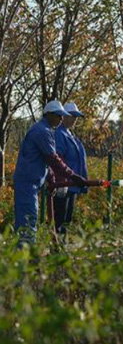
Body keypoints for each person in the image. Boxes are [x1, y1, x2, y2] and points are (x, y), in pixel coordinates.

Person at [13, 100, 87, 246]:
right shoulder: (43, 132)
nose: (61, 119)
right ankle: (24, 259)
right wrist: (72, 176)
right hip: (28, 183)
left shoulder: (44, 130)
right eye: (59, 116)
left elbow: (45, 160)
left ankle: (25, 256)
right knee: (28, 220)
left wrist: (51, 178)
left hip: (30, 182)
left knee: (28, 219)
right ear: (49, 115)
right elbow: (53, 159)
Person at [53, 102, 88, 234]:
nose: (74, 119)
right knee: (60, 218)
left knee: (67, 219)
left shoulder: (70, 135)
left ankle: (62, 245)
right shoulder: (59, 134)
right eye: (71, 116)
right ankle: (56, 248)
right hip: (64, 183)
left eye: (76, 117)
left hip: (73, 184)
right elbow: (58, 158)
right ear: (64, 116)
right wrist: (64, 179)